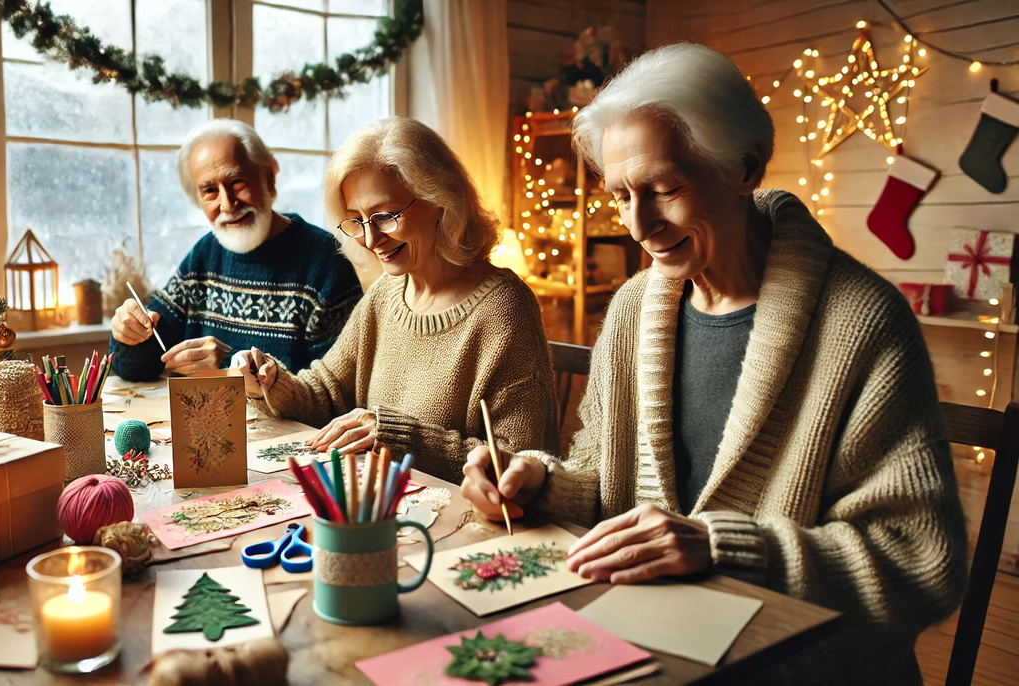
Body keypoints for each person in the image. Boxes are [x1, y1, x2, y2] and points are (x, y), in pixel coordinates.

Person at [459, 43, 967, 684]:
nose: (638, 224)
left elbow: (920, 563)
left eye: (665, 188)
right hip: (652, 651)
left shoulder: (862, 322)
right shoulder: (633, 310)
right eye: (620, 196)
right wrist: (537, 479)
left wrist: (727, 549)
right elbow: (604, 481)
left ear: (745, 167)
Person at [230, 117, 559, 485]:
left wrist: (397, 438)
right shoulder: (386, 295)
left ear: (440, 200)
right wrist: (269, 382)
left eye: (384, 216)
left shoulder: (504, 309)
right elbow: (326, 392)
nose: (371, 240)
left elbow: (521, 463)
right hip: (382, 502)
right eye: (357, 220)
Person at [109, 119, 362, 381]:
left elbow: (337, 390)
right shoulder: (204, 255)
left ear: (269, 178)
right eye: (209, 190)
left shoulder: (327, 263)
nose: (227, 205)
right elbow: (132, 367)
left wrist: (231, 367)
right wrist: (127, 333)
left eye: (237, 182)